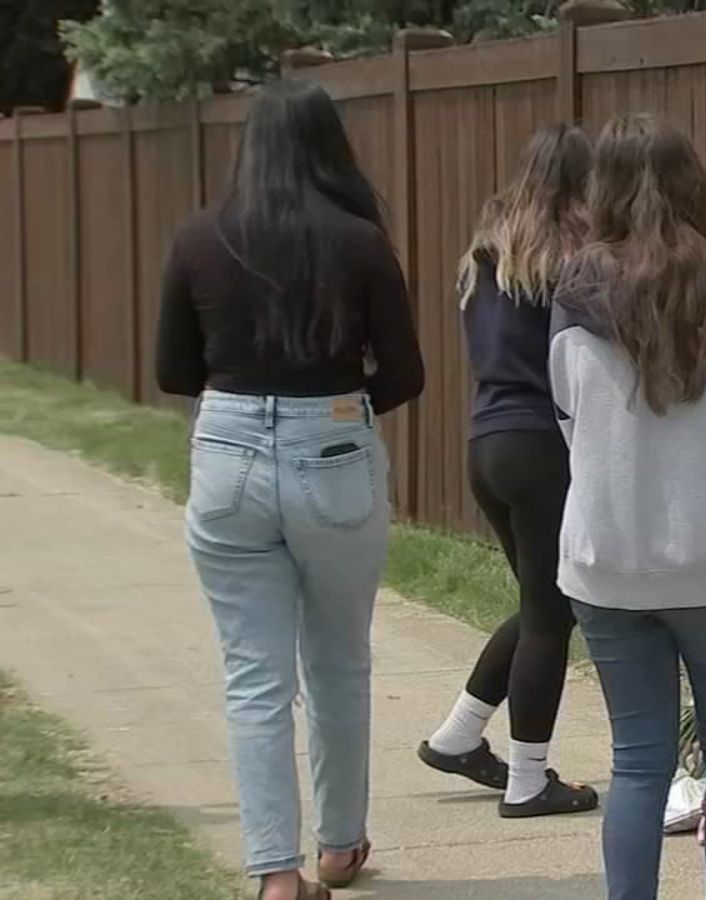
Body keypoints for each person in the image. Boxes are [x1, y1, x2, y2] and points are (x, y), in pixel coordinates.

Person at [155, 80, 423, 900]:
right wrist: (338, 413)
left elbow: (174, 372)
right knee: (339, 660)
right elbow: (405, 374)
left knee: (253, 676)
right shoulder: (359, 241)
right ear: (327, 146)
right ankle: (340, 846)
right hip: (334, 448)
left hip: (230, 453)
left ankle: (276, 871)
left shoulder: (199, 238)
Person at [550, 114, 706, 900]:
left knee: (638, 756)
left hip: (607, 561)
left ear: (603, 194)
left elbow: (567, 420)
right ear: (698, 186)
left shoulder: (573, 295)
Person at [415, 122, 600, 818]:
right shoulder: (570, 258)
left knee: (540, 603)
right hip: (542, 446)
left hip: (486, 444)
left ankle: (460, 735)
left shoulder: (485, 255)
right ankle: (529, 778)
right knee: (553, 613)